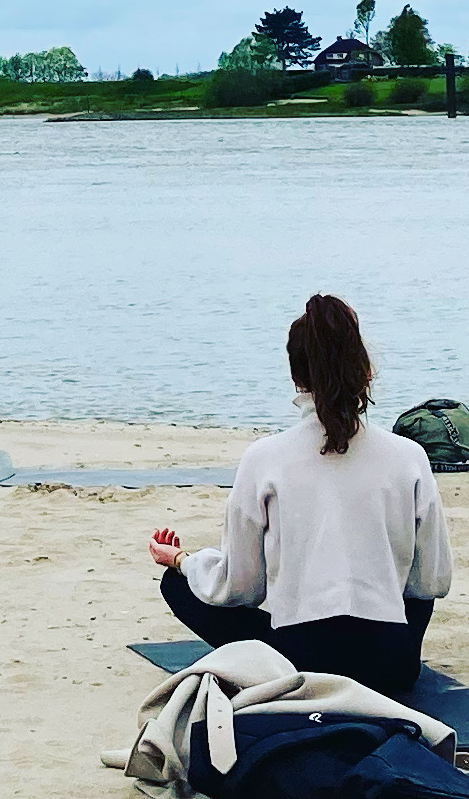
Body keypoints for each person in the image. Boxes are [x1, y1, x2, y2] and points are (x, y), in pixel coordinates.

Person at [148, 293, 453, 699]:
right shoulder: (409, 456)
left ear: (296, 376)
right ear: (364, 370)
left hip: (297, 665)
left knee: (175, 584)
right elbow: (433, 580)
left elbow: (240, 587)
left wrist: (185, 561)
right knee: (411, 591)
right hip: (391, 667)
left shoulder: (263, 458)